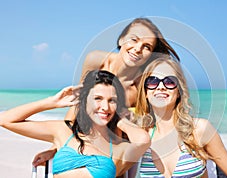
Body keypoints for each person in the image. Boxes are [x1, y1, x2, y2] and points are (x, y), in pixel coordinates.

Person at [32, 17, 180, 167]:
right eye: (133, 40)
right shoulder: (96, 60)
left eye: (147, 46)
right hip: (86, 141)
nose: (137, 49)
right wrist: (55, 148)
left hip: (117, 150)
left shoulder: (140, 85)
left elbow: (152, 121)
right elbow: (78, 105)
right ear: (122, 39)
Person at [0, 70, 151, 177]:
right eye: (97, 98)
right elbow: (5, 120)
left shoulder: (117, 146)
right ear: (84, 101)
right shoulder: (64, 131)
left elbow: (143, 140)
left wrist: (119, 118)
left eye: (112, 101)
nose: (105, 107)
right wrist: (51, 102)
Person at [131, 57, 227, 177]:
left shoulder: (198, 130)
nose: (161, 86)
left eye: (170, 81)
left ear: (179, 91)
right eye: (153, 81)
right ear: (145, 92)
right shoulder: (140, 136)